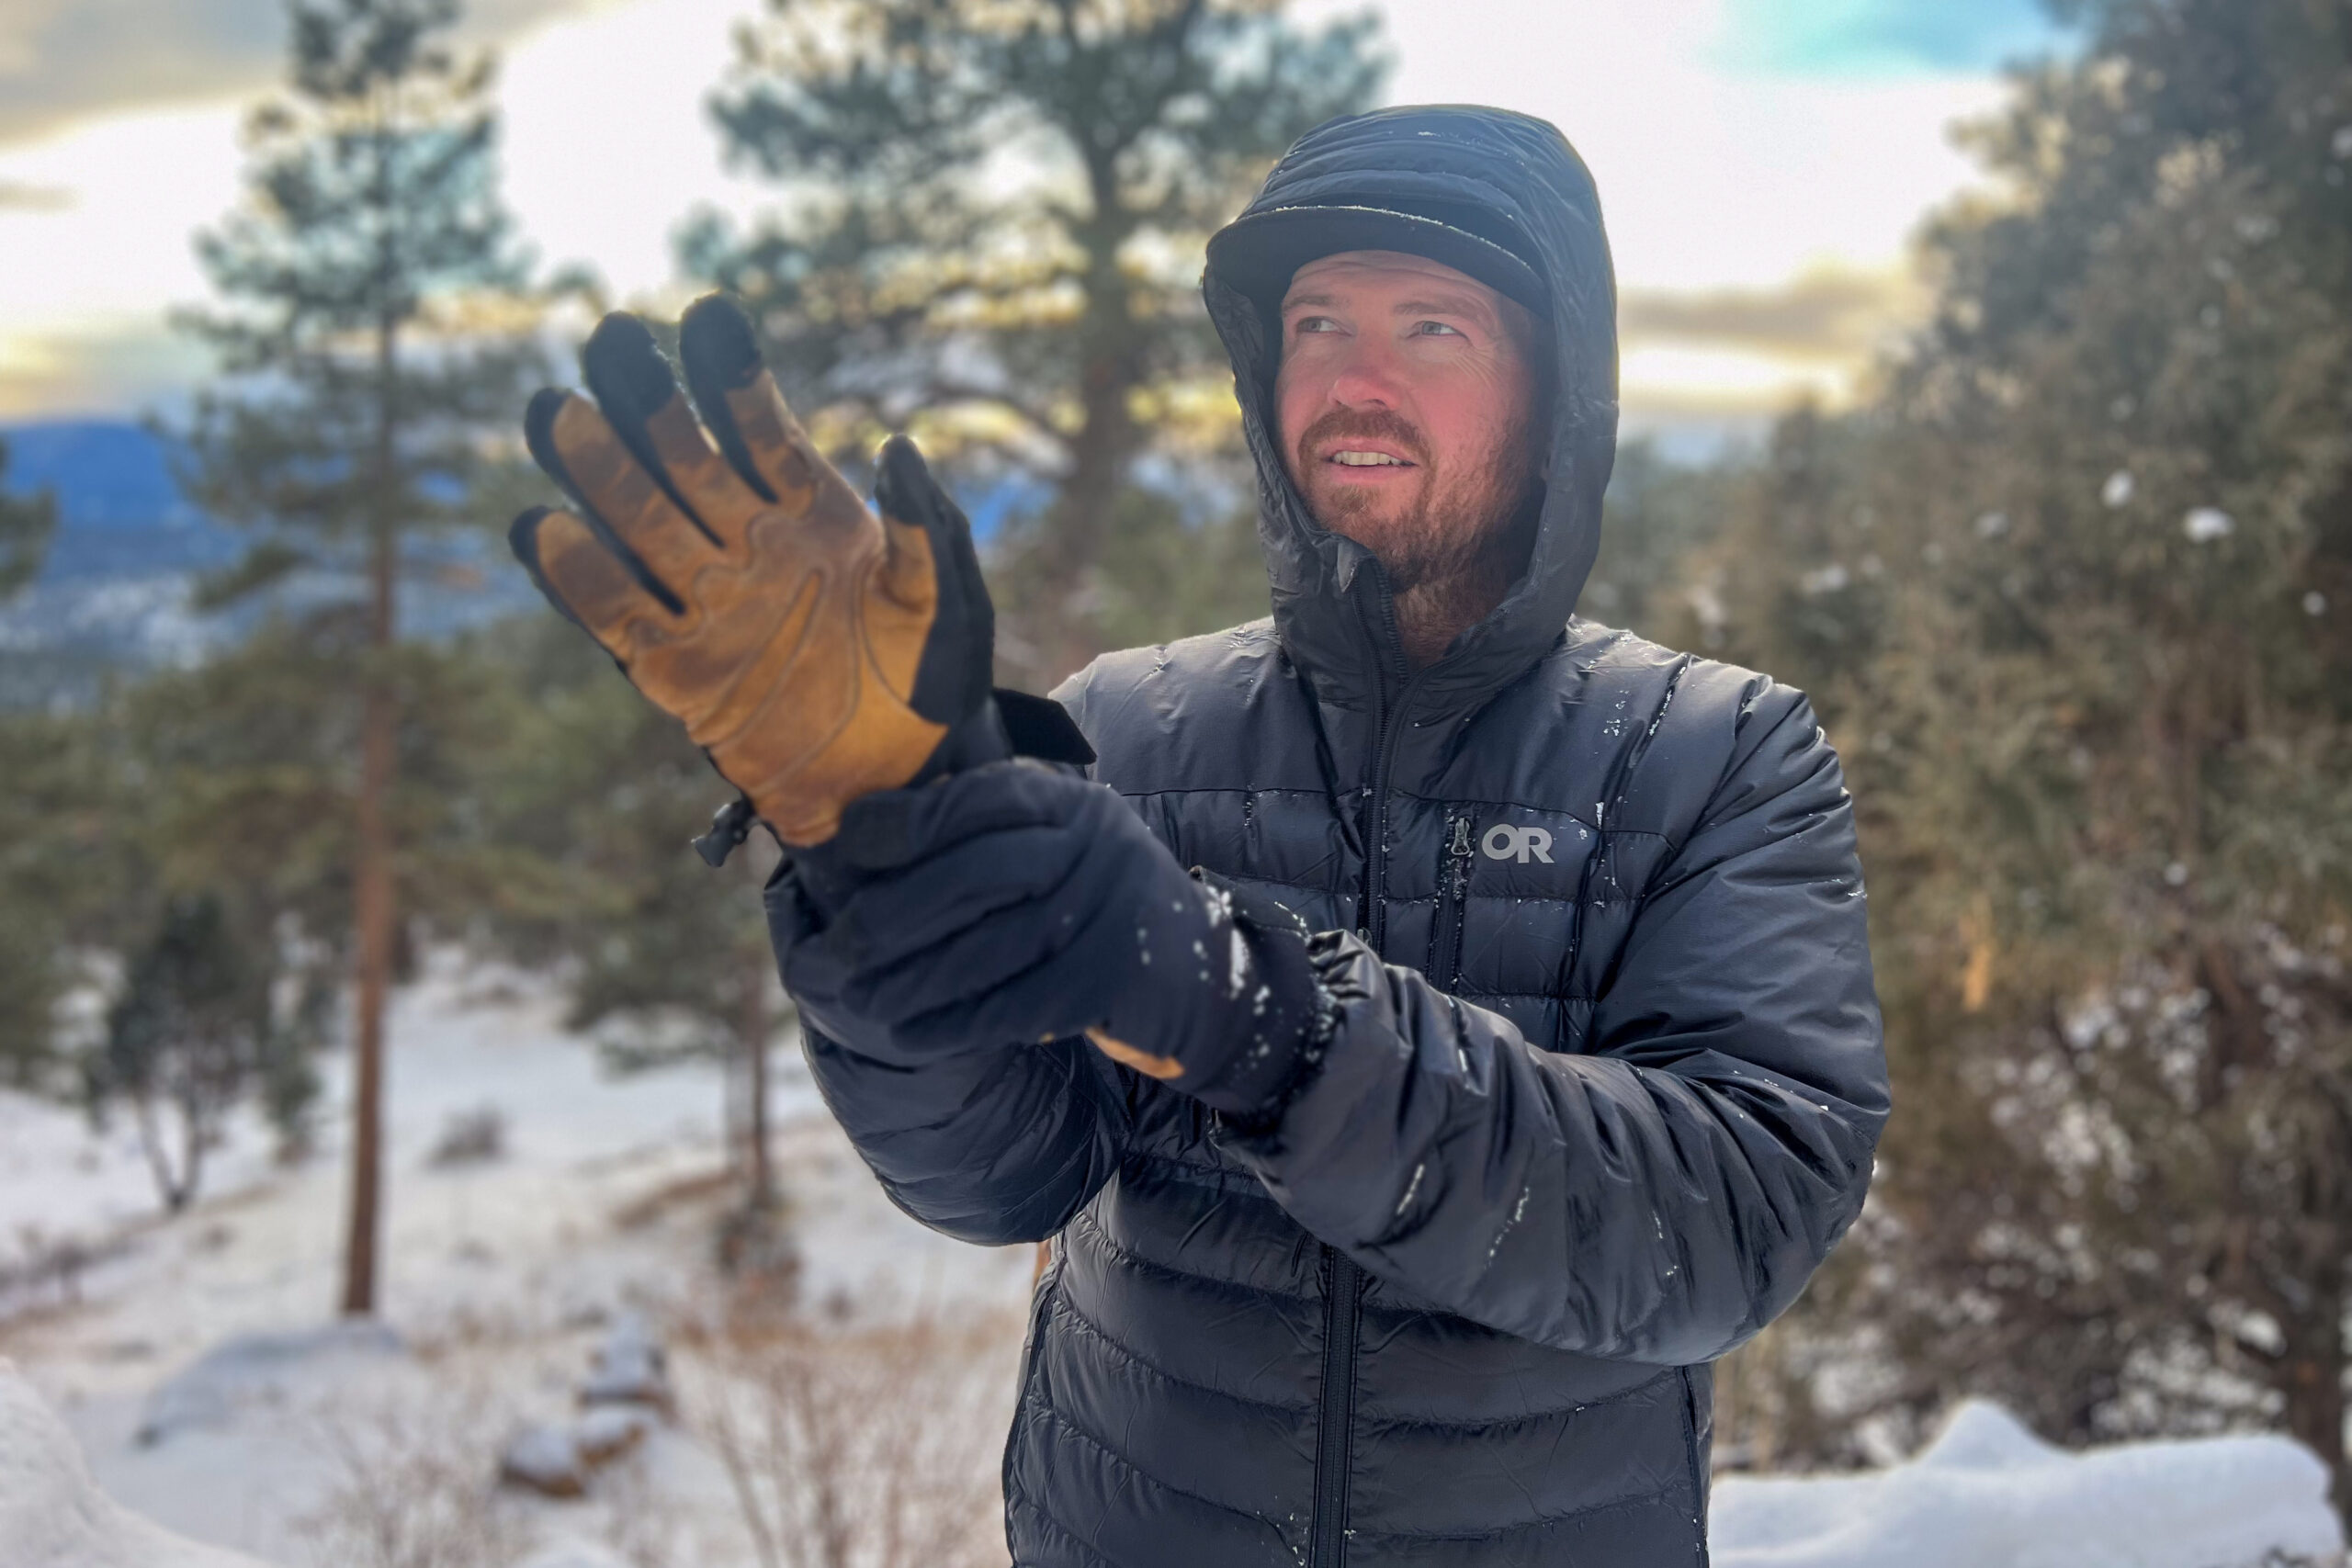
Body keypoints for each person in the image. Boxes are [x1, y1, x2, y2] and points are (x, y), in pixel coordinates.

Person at [514, 104, 1887, 1568]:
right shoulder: (1134, 726)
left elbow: (1729, 1218)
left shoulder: (1713, 754)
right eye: (1315, 323)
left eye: (1432, 327)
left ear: (1558, 386)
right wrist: (874, 871)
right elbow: (1004, 1178)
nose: (1356, 381)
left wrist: (1260, 1017)